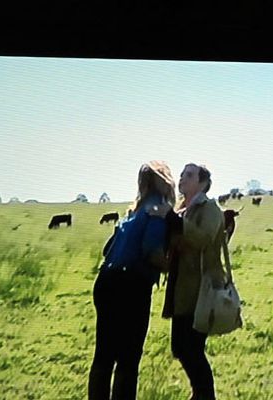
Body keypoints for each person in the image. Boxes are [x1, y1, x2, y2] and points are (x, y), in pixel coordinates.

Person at [88, 160, 175, 400]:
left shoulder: (133, 211)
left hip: (106, 281)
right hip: (132, 285)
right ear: (166, 181)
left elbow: (107, 250)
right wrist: (173, 269)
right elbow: (151, 250)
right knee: (128, 358)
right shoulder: (157, 209)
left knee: (104, 355)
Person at [151, 163, 225, 400]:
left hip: (201, 289)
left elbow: (203, 239)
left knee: (192, 349)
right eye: (182, 174)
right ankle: (199, 393)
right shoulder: (183, 209)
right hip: (181, 287)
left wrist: (173, 219)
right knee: (180, 347)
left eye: (189, 175)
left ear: (203, 183)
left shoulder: (210, 208)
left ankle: (205, 396)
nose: (182, 178)